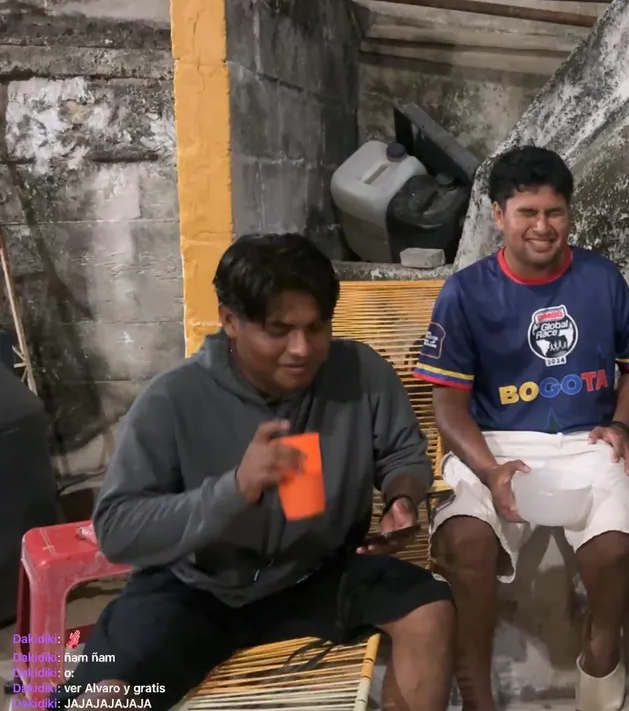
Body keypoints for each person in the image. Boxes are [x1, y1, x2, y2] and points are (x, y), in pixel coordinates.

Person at [52, 234, 455, 711]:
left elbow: (402, 452)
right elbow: (117, 531)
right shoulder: (173, 400)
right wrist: (234, 490)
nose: (301, 348)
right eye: (278, 331)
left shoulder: (359, 372)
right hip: (196, 590)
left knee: (430, 610)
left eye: (316, 327)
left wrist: (402, 498)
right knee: (102, 697)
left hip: (317, 575)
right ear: (230, 320)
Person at [415, 146, 629, 711]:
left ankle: (601, 645)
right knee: (464, 542)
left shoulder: (600, 278)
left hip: (588, 439)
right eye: (527, 212)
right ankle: (475, 690)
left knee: (615, 546)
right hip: (495, 443)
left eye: (554, 212)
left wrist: (622, 424)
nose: (542, 227)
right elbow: (448, 407)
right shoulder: (465, 292)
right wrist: (490, 470)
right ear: (498, 215)